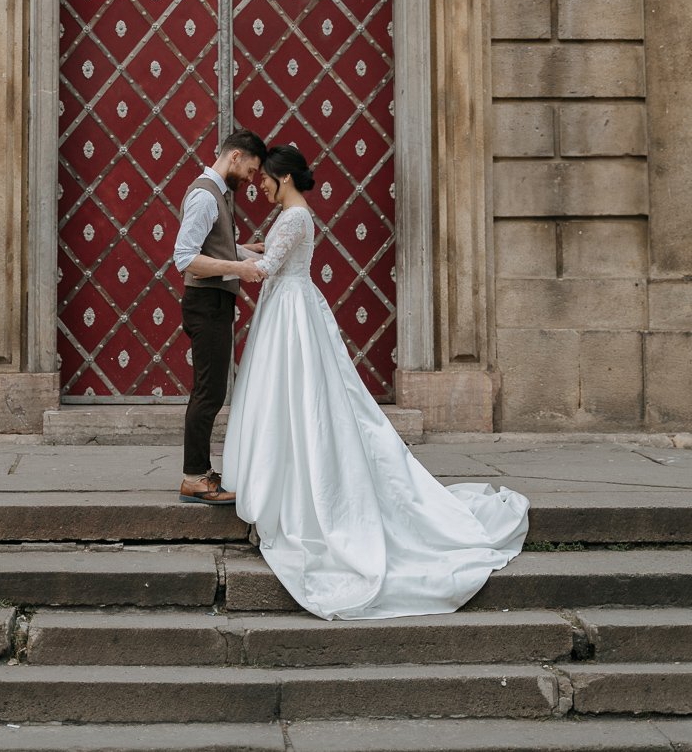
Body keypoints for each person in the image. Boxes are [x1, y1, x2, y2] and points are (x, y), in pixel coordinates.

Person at [222, 144, 530, 619]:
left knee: (299, 399)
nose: (258, 184)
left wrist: (214, 257)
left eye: (264, 177)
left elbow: (264, 272)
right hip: (290, 309)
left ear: (283, 178)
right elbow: (270, 260)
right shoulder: (294, 217)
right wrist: (234, 247)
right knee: (293, 400)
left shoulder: (294, 218)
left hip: (289, 314)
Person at [172, 129, 268, 504]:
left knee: (211, 390)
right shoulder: (204, 196)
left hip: (214, 304)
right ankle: (194, 476)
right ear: (236, 157)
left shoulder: (218, 195)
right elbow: (185, 258)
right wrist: (238, 267)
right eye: (251, 169)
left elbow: (214, 246)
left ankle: (201, 471)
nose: (251, 178)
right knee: (208, 392)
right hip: (206, 304)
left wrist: (245, 252)